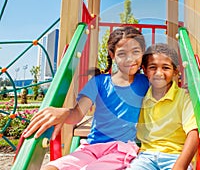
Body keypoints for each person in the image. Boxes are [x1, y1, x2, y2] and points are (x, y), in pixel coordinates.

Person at [23, 26, 149, 170]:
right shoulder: (99, 82)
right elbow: (77, 114)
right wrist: (64, 112)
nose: (130, 59)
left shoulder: (145, 82)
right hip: (92, 147)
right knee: (52, 167)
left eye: (136, 52)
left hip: (122, 149)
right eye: (122, 53)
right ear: (112, 55)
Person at [127, 43, 199, 170]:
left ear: (175, 71)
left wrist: (180, 166)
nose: (159, 73)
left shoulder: (183, 97)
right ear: (144, 70)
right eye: (153, 67)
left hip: (175, 155)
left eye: (165, 68)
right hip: (146, 156)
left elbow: (193, 133)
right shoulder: (141, 96)